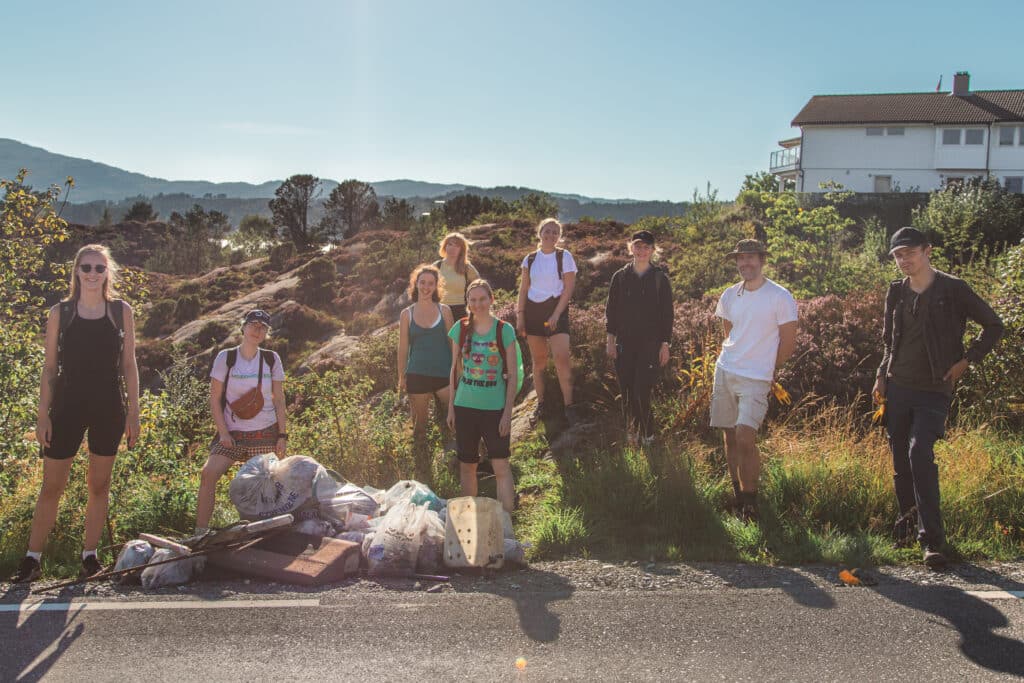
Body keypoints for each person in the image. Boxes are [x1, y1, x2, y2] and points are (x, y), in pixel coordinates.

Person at [872, 227, 1003, 568]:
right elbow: (889, 340)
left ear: (927, 251)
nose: (903, 260)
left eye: (909, 253)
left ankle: (932, 541)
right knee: (901, 460)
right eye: (898, 255)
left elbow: (994, 326)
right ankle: (906, 527)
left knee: (920, 452)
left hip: (934, 389)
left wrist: (966, 361)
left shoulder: (954, 289)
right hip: (898, 385)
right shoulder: (896, 291)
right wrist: (880, 377)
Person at [12, 244, 141, 583]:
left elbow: (129, 366)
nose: (93, 274)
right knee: (51, 486)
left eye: (99, 268)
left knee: (99, 485)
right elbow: (50, 368)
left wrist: (134, 413)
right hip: (66, 408)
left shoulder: (120, 311)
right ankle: (31, 559)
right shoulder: (61, 313)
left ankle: (90, 557)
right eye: (86, 267)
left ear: (107, 272)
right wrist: (43, 415)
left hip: (109, 408)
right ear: (76, 271)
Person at [710, 239, 798, 522]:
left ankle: (751, 503)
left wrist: (766, 369)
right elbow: (729, 331)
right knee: (729, 436)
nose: (745, 263)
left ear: (762, 260)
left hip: (756, 379)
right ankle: (737, 496)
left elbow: (788, 342)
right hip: (725, 371)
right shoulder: (729, 295)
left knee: (746, 437)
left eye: (750, 258)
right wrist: (736, 357)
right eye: (740, 259)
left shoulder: (780, 296)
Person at [194, 309, 286, 535]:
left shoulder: (271, 359)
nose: (258, 330)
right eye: (253, 324)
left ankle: (263, 532)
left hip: (265, 431)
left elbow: (279, 399)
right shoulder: (226, 357)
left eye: (263, 327)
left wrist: (282, 435)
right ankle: (200, 533)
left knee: (267, 484)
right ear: (243, 327)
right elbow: (214, 399)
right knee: (208, 474)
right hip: (233, 433)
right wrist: (223, 433)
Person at [446, 279, 518, 512]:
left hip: (494, 408)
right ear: (468, 302)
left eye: (482, 299)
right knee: (468, 466)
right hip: (464, 406)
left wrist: (508, 413)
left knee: (501, 467)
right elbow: (454, 369)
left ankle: (506, 527)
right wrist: (450, 407)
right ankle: (470, 523)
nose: (477, 304)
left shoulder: (504, 330)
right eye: (473, 300)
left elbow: (513, 376)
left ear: (491, 300)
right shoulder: (461, 328)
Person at [605, 230, 674, 446]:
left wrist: (665, 344)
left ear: (653, 250)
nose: (642, 250)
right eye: (638, 246)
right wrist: (610, 340)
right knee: (626, 391)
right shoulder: (620, 277)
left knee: (641, 390)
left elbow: (667, 315)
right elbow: (611, 310)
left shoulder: (660, 279)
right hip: (624, 343)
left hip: (650, 345)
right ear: (631, 248)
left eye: (646, 247)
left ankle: (648, 436)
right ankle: (633, 434)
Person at [516, 218, 579, 426]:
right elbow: (524, 289)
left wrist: (555, 314)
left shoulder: (565, 257)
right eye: (547, 231)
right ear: (539, 233)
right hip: (533, 311)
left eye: (555, 232)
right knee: (539, 361)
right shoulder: (530, 259)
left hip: (556, 309)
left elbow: (568, 289)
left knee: (561, 358)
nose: (550, 235)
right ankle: (541, 403)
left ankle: (569, 406)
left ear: (559, 236)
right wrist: (520, 315)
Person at [398, 264, 455, 484]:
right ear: (416, 284)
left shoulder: (445, 311)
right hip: (417, 375)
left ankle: (455, 465)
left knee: (453, 422)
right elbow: (403, 348)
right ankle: (423, 473)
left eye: (431, 283)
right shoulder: (407, 314)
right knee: (420, 427)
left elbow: (453, 343)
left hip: (443, 374)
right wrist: (401, 376)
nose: (426, 287)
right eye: (422, 283)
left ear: (436, 286)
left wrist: (456, 372)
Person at [435, 232, 480, 320]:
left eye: (457, 246)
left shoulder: (467, 268)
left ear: (461, 250)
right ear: (445, 246)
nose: (452, 248)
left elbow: (480, 287)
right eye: (450, 244)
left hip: (460, 311)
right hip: (439, 310)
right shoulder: (437, 266)